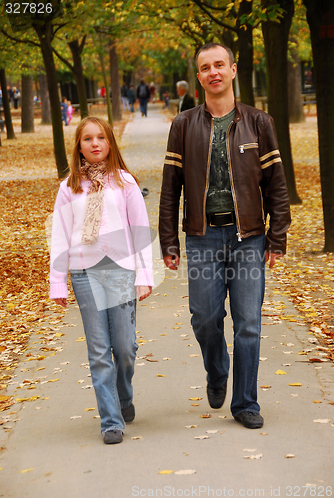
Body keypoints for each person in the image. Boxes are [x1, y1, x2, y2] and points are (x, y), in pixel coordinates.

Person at [159, 43, 291, 430]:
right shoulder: (183, 125)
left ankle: (245, 402)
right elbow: (170, 191)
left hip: (248, 237)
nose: (213, 72)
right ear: (199, 77)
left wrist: (276, 236)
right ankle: (217, 372)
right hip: (202, 239)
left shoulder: (259, 123)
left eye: (220, 64)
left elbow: (277, 186)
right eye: (205, 67)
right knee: (204, 317)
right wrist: (169, 241)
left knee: (248, 321)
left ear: (233, 70)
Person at [50, 116, 154, 444]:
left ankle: (123, 396)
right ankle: (111, 421)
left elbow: (140, 231)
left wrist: (144, 275)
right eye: (87, 139)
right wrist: (57, 281)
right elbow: (60, 237)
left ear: (110, 143)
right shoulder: (68, 189)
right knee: (98, 350)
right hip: (84, 272)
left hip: (120, 271)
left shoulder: (124, 182)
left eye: (100, 138)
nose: (94, 143)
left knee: (124, 347)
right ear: (78, 146)